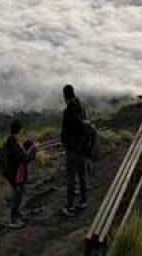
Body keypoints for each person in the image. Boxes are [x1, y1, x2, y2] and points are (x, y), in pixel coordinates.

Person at [4, 120, 37, 229]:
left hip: (15, 174)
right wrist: (32, 150)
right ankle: (13, 221)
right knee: (16, 197)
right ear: (20, 130)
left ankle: (17, 214)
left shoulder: (12, 141)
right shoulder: (13, 143)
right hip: (16, 175)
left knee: (18, 195)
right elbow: (23, 158)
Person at [61, 84, 87, 217]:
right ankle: (83, 201)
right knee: (82, 175)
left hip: (72, 149)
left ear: (65, 96)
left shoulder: (68, 111)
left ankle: (70, 207)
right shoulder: (81, 107)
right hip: (83, 148)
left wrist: (65, 144)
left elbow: (64, 133)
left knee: (71, 178)